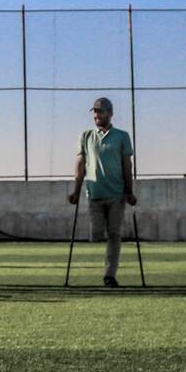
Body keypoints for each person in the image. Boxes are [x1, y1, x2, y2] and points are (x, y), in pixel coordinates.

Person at [68, 97, 137, 288]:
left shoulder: (122, 136)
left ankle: (109, 275)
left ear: (110, 113)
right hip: (94, 193)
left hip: (116, 193)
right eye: (95, 112)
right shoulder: (86, 135)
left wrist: (129, 191)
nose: (97, 115)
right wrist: (76, 190)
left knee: (114, 234)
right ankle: (104, 268)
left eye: (101, 111)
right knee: (96, 234)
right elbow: (80, 165)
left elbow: (126, 165)